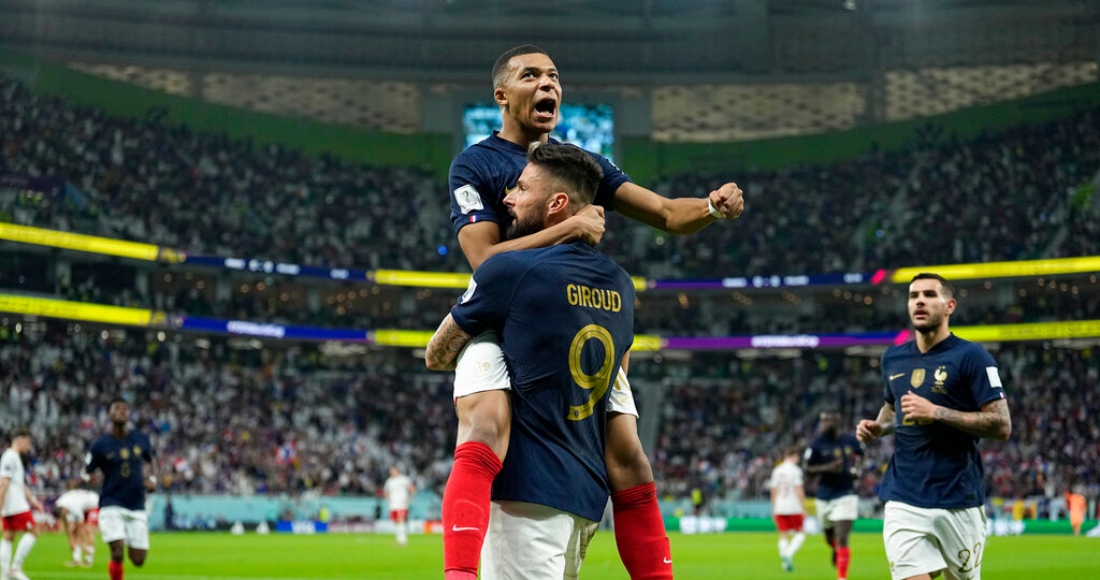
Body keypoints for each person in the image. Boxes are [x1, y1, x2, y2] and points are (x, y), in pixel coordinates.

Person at [443, 43, 744, 580]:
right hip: (510, 319)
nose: (547, 84)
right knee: (487, 425)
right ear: (502, 96)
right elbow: (484, 260)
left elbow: (670, 215)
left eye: (554, 76)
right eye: (530, 75)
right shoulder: (476, 163)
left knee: (628, 452)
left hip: (582, 318)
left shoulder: (578, 165)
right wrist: (570, 227)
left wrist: (711, 207)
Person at [428, 142, 636, 579]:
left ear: (558, 203)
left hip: (528, 493)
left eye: (521, 188)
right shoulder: (620, 285)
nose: (507, 198)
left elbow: (436, 354)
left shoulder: (512, 272)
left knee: (475, 351)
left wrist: (479, 342)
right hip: (586, 498)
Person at [857, 273, 1012, 580]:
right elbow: (893, 408)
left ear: (949, 305)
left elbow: (1002, 425)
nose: (920, 301)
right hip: (904, 497)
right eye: (914, 296)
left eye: (929, 294)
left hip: (958, 499)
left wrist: (937, 412)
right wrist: (878, 427)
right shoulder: (893, 358)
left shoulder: (972, 357)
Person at [85, 398, 157, 580]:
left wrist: (152, 479)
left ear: (129, 414)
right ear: (109, 414)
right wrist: (89, 478)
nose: (121, 411)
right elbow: (86, 471)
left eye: (124, 409)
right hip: (111, 501)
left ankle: (126, 538)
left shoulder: (141, 439)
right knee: (117, 552)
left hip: (136, 503)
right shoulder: (100, 444)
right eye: (117, 408)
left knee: (138, 559)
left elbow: (151, 461)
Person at [804, 409, 863, 580]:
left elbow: (862, 455)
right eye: (822, 420)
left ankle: (842, 577)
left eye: (828, 420)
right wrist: (827, 468)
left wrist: (857, 469)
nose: (824, 423)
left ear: (838, 421)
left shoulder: (850, 441)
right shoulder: (816, 444)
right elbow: (806, 469)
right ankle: (835, 548)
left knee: (843, 537)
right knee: (830, 536)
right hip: (824, 496)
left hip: (846, 494)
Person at [0, 428, 42, 580]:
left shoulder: (13, 456)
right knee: (34, 531)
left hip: (11, 503)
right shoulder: (10, 457)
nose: (29, 447)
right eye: (28, 443)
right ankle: (15, 567)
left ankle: (4, 575)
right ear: (20, 440)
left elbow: (18, 483)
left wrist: (33, 500)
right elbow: (4, 483)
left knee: (8, 536)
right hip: (14, 503)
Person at [768, 446, 806, 573]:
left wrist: (774, 508)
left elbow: (773, 491)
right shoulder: (796, 471)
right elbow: (799, 489)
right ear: (793, 456)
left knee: (783, 535)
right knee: (800, 534)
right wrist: (803, 507)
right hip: (794, 506)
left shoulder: (776, 470)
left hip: (779, 506)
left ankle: (785, 564)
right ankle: (788, 554)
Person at [53, 483, 100, 568]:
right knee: (74, 532)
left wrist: (83, 546)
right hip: (84, 505)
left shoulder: (73, 506)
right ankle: (76, 559)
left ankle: (89, 559)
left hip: (94, 503)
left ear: (63, 510)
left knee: (88, 530)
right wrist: (70, 539)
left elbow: (80, 526)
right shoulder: (60, 504)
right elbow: (66, 523)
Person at [383, 466, 416, 547]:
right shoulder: (389, 481)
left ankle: (403, 541)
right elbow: (385, 491)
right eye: (391, 471)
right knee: (396, 522)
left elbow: (412, 489)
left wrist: (409, 500)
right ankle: (399, 540)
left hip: (402, 504)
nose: (391, 472)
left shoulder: (404, 479)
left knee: (401, 520)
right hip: (393, 504)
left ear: (397, 471)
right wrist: (388, 499)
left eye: (393, 471)